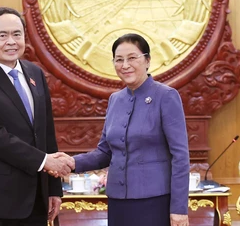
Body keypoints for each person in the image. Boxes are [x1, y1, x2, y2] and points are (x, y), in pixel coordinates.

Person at [0, 7, 74, 226]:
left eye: (17, 34)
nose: (11, 41)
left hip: (38, 199)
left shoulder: (35, 73)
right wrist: (44, 161)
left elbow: (46, 132)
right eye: (3, 36)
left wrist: (53, 189)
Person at [72, 33, 190, 226]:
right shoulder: (115, 100)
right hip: (118, 202)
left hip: (155, 201)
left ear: (147, 61)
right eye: (119, 60)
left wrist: (179, 209)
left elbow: (180, 156)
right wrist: (71, 162)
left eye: (132, 58)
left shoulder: (166, 96)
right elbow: (104, 152)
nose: (125, 65)